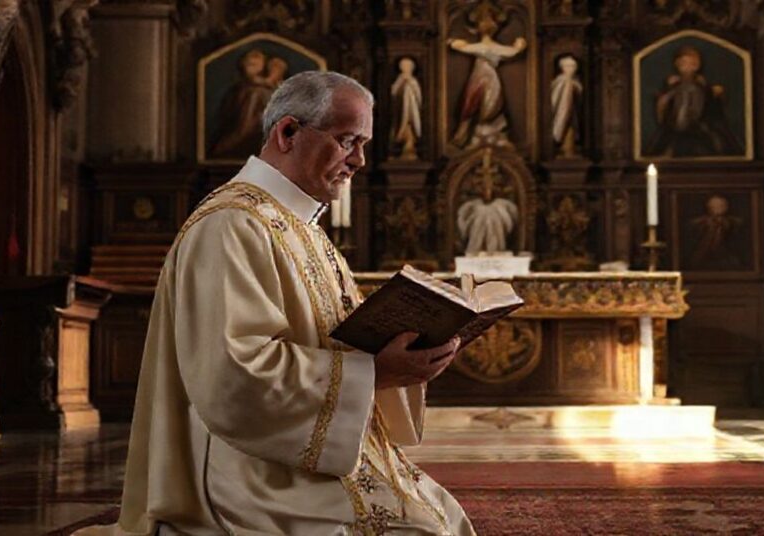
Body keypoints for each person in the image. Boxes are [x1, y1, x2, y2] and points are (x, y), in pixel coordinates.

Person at [85, 71, 475, 535]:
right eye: (348, 140)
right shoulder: (230, 225)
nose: (359, 160)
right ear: (288, 132)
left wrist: (411, 342)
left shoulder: (300, 225)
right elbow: (234, 374)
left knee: (442, 514)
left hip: (303, 450)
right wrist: (376, 373)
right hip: (247, 471)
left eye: (363, 144)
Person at [448, 3, 526, 149]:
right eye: (483, 21)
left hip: (489, 76)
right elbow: (513, 51)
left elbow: (511, 51)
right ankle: (474, 131)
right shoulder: (484, 48)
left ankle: (489, 129)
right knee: (472, 102)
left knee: (492, 102)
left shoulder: (489, 48)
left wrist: (518, 47)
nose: (487, 24)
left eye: (490, 20)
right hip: (479, 77)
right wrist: (519, 46)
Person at [649, 45, 742, 158]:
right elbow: (662, 107)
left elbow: (712, 106)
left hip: (700, 128)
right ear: (677, 65)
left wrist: (715, 94)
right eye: (684, 63)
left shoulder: (703, 85)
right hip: (675, 128)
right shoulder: (672, 85)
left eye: (692, 64)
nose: (688, 67)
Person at [209, 49, 275, 159]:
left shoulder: (257, 92)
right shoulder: (236, 90)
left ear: (262, 67)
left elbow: (244, 129)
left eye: (254, 65)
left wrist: (224, 146)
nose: (249, 68)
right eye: (248, 64)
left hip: (249, 142)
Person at [390, 57, 423, 160]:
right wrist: (401, 82)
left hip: (412, 108)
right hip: (400, 109)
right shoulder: (400, 78)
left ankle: (410, 142)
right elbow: (393, 92)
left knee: (412, 125)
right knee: (401, 125)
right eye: (404, 66)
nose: (406, 68)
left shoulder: (413, 80)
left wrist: (411, 84)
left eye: (408, 66)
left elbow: (418, 95)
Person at [549, 55, 582, 158]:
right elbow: (561, 103)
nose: (572, 69)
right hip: (563, 114)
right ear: (563, 68)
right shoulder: (563, 81)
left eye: (573, 66)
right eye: (569, 66)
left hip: (572, 113)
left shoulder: (573, 81)